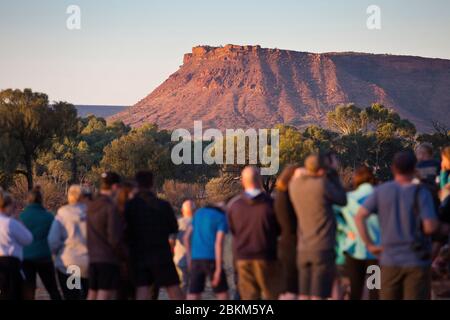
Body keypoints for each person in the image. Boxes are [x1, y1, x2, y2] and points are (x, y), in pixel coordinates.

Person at [356, 150, 441, 300]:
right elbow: (430, 227)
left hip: (389, 259)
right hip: (416, 260)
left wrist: (369, 244)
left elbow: (360, 216)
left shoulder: (381, 191)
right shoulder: (421, 192)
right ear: (415, 169)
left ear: (393, 168)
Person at [289, 153, 347, 300]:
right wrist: (333, 173)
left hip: (303, 248)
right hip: (322, 247)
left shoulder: (294, 185)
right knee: (318, 294)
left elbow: (299, 176)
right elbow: (342, 199)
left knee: (304, 294)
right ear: (322, 169)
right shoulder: (322, 184)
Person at [124, 170, 183, 300]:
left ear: (137, 184)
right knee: (173, 287)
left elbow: (125, 230)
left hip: (138, 254)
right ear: (152, 184)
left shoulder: (129, 206)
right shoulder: (163, 205)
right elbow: (174, 228)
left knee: (142, 288)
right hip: (161, 253)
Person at [227, 166, 280, 300]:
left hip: (243, 257)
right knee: (272, 294)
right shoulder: (271, 204)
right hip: (266, 255)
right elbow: (279, 230)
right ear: (260, 180)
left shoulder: (234, 205)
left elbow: (232, 230)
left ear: (243, 182)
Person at [337, 166, 380, 300]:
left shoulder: (348, 198)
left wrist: (345, 230)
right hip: (376, 249)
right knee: (374, 288)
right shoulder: (381, 196)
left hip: (355, 249)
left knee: (356, 289)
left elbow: (333, 214)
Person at [48, 185, 89, 300]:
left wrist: (56, 254)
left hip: (71, 264)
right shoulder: (91, 212)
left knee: (72, 295)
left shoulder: (62, 214)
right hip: (90, 263)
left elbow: (53, 240)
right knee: (89, 294)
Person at [87, 172, 124, 300]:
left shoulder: (91, 205)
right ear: (114, 187)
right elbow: (114, 237)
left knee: (92, 292)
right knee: (104, 293)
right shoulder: (111, 207)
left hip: (92, 257)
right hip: (107, 258)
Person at [20, 187, 61, 300]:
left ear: (28, 200)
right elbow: (55, 237)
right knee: (53, 289)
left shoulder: (22, 217)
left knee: (28, 291)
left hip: (26, 258)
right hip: (44, 257)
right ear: (41, 200)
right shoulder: (49, 217)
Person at [184, 203, 229, 300]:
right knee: (222, 293)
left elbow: (186, 238)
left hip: (196, 259)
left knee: (194, 293)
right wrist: (218, 268)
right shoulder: (222, 217)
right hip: (212, 259)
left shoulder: (198, 214)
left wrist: (189, 259)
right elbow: (218, 243)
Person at [0, 191, 33, 300]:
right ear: (7, 206)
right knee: (13, 293)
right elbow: (28, 239)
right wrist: (17, 219)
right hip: (11, 262)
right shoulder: (10, 222)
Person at [273, 165, 298, 300]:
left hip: (286, 244)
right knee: (291, 287)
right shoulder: (285, 197)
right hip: (290, 245)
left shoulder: (281, 196)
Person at [173, 199, 195, 292]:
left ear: (182, 211)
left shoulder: (177, 223)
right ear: (195, 210)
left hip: (179, 259)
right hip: (196, 261)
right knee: (194, 289)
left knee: (181, 288)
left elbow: (170, 241)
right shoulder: (199, 223)